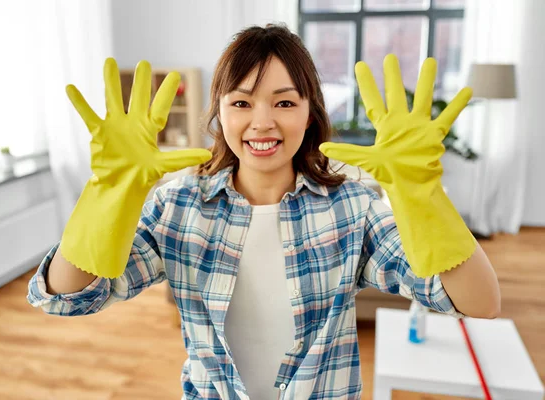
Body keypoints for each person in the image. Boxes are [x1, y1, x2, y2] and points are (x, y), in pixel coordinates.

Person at [27, 24, 500, 400]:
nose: (262, 122)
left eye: (284, 102)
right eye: (241, 102)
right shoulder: (179, 206)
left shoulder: (352, 208)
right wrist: (106, 192)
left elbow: (477, 301)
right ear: (220, 113)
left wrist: (422, 194)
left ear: (310, 112)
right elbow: (66, 297)